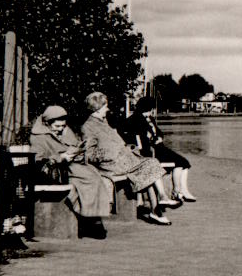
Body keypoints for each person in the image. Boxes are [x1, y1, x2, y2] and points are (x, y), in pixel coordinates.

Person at [81, 92, 179, 225]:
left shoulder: (103, 122)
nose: (108, 109)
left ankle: (159, 205)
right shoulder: (88, 127)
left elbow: (113, 141)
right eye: (105, 106)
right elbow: (89, 153)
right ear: (97, 108)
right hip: (111, 164)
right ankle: (159, 206)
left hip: (123, 160)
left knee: (150, 166)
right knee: (150, 165)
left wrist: (128, 147)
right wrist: (111, 153)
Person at [30, 105, 112, 238]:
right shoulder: (38, 137)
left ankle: (93, 217)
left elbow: (74, 145)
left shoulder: (66, 131)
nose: (61, 129)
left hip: (72, 167)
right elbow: (38, 159)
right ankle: (91, 220)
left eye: (63, 125)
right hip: (56, 171)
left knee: (94, 177)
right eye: (57, 126)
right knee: (87, 181)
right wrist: (60, 157)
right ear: (47, 123)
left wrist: (78, 153)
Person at [125, 97, 196, 202]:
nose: (150, 112)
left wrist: (159, 137)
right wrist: (154, 139)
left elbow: (158, 133)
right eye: (149, 110)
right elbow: (141, 138)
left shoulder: (150, 119)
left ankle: (182, 191)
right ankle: (177, 191)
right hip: (149, 151)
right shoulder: (135, 120)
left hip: (159, 148)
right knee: (180, 162)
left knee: (184, 163)